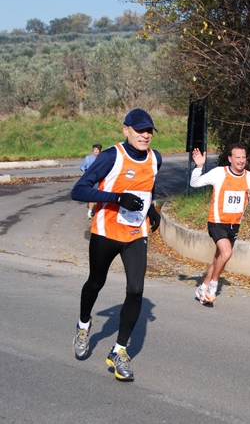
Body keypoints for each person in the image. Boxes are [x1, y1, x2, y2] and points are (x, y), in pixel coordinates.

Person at [71, 108, 162, 381]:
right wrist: (116, 198)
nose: (145, 136)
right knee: (95, 284)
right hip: (105, 232)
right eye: (139, 130)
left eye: (149, 131)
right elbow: (79, 190)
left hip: (135, 233)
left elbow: (149, 187)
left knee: (136, 289)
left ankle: (119, 350)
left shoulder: (156, 158)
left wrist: (151, 210)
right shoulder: (112, 156)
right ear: (126, 130)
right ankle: (83, 324)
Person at [190, 143, 250, 305]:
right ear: (230, 158)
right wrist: (199, 166)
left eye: (243, 157)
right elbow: (195, 183)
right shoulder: (219, 173)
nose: (241, 161)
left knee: (218, 258)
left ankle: (203, 287)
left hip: (234, 224)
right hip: (217, 222)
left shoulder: (249, 177)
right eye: (238, 157)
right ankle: (214, 284)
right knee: (226, 253)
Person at [79, 144, 102, 219]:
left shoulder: (102, 158)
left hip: (98, 179)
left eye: (97, 150)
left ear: (100, 151)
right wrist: (86, 172)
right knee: (90, 194)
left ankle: (93, 212)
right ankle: (90, 210)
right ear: (93, 150)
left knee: (96, 194)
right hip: (89, 178)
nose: (96, 151)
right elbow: (82, 167)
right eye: (95, 149)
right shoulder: (88, 158)